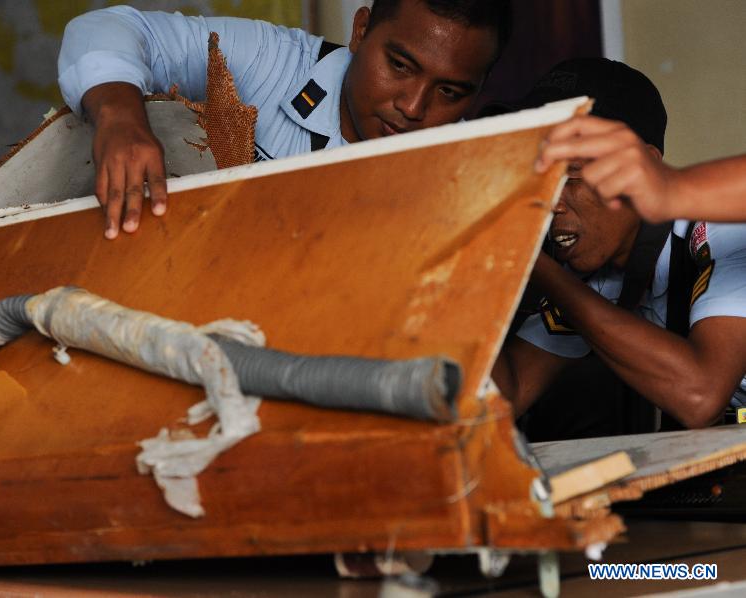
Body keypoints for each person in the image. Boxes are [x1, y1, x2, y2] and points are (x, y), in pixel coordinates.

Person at [58, 0, 511, 238]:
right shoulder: (272, 62)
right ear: (360, 31)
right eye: (399, 65)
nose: (413, 107)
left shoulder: (463, 183)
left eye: (450, 91)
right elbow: (109, 28)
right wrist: (121, 117)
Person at [487, 58, 746, 430]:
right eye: (538, 175)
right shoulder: (600, 274)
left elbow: (699, 395)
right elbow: (505, 398)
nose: (552, 201)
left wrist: (536, 266)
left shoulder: (722, 229)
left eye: (573, 171)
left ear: (647, 167)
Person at [536, 117, 746, 224]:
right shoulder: (595, 266)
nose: (554, 205)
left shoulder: (714, 232)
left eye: (572, 174)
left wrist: (674, 191)